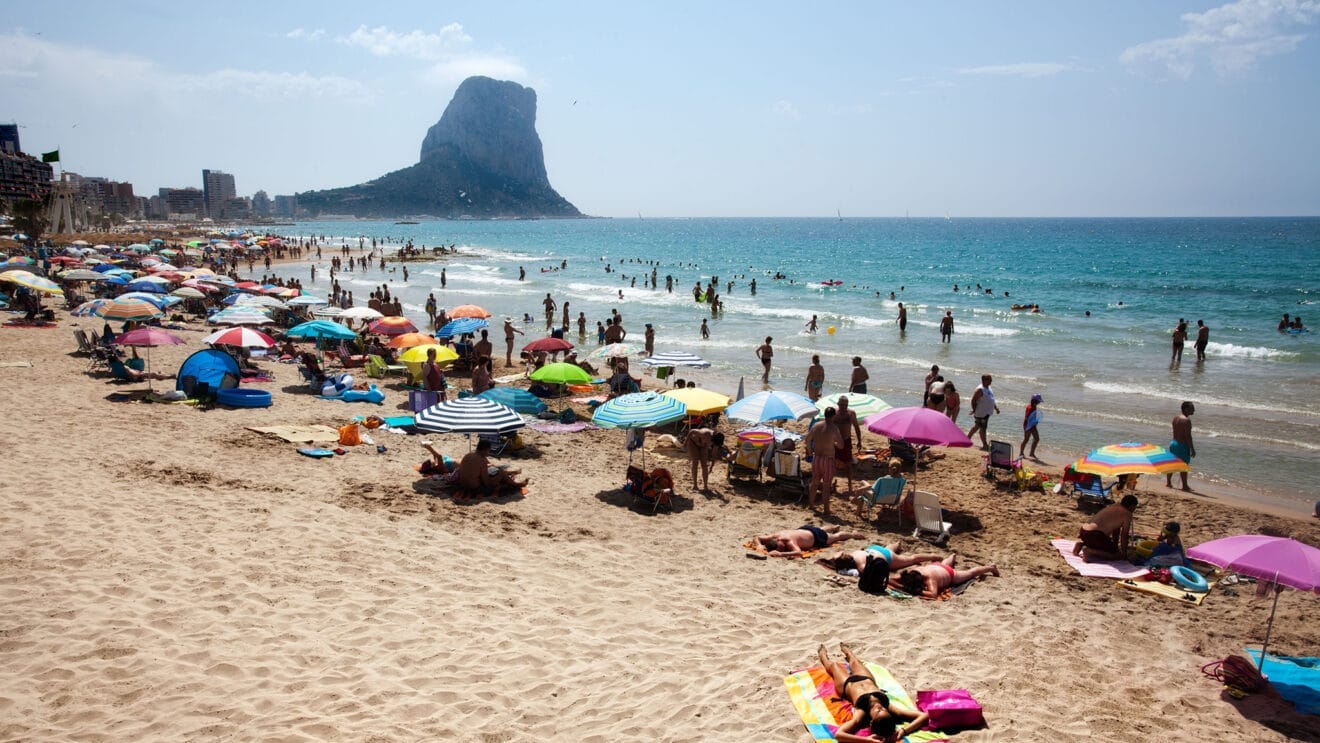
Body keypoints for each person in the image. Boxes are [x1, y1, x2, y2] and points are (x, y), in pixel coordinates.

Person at [815, 643, 929, 743]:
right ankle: (848, 652)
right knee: (855, 661)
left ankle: (823, 656)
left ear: (871, 721)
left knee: (834, 665)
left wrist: (866, 740)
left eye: (878, 711)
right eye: (884, 710)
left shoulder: (861, 712)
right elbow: (924, 716)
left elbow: (839, 735)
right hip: (866, 678)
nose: (881, 707)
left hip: (847, 685)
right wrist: (904, 731)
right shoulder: (888, 706)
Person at [892, 554, 1000, 598]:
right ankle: (952, 556)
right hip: (936, 567)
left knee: (971, 573)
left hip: (950, 574)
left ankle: (991, 567)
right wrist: (902, 586)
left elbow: (933, 594)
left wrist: (910, 589)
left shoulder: (930, 579)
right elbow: (890, 580)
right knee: (944, 564)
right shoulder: (913, 572)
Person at [1073, 494, 1138, 562]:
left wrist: (1114, 546)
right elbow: (1124, 535)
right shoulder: (1127, 514)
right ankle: (1089, 551)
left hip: (1084, 531)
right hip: (1094, 535)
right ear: (1132, 506)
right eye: (1134, 507)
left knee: (1106, 546)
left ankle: (1082, 544)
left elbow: (1116, 530)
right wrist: (1124, 554)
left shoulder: (1115, 505)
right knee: (1117, 555)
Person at [456, 439, 527, 499]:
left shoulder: (468, 455)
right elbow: (486, 482)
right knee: (501, 472)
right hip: (475, 489)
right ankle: (516, 484)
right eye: (488, 451)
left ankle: (511, 476)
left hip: (463, 485)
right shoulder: (482, 460)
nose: (488, 453)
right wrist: (498, 478)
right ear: (484, 450)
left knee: (495, 471)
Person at [805, 407, 842, 515]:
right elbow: (841, 445)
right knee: (826, 485)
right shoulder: (834, 428)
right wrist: (833, 443)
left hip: (817, 457)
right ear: (834, 416)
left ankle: (811, 505)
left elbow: (807, 440)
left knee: (815, 481)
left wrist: (810, 451)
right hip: (828, 459)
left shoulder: (816, 425)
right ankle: (826, 509)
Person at [754, 524, 865, 557]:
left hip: (816, 537)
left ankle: (853, 534)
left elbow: (798, 552)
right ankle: (833, 526)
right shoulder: (774, 536)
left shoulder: (787, 540)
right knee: (821, 530)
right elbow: (757, 538)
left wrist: (781, 554)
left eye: (782, 547)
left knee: (835, 537)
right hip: (804, 530)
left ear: (779, 542)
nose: (784, 548)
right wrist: (759, 545)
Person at [834, 396, 862, 495]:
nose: (843, 407)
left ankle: (850, 485)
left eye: (845, 405)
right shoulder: (835, 413)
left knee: (848, 463)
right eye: (841, 405)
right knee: (834, 463)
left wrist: (859, 441)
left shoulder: (851, 414)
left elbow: (857, 428)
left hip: (846, 441)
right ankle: (832, 483)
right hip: (836, 442)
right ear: (838, 404)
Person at [1166, 401, 1196, 491]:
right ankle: (1185, 486)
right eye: (1192, 408)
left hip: (1173, 443)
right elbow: (1188, 436)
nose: (1194, 410)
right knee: (1184, 466)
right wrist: (1192, 449)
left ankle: (1168, 482)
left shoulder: (1176, 418)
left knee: (1172, 464)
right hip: (1182, 445)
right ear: (1186, 409)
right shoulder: (1187, 421)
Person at [966, 374, 1000, 450]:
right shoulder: (980, 389)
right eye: (989, 380)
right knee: (983, 429)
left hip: (986, 412)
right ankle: (985, 445)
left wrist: (996, 408)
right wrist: (974, 410)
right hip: (981, 413)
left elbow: (991, 399)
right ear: (984, 380)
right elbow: (973, 400)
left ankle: (967, 438)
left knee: (977, 426)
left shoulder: (988, 388)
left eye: (991, 379)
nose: (991, 381)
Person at [1021, 393, 1042, 459]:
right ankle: (1021, 453)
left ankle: (1031, 453)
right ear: (1035, 401)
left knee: (1037, 438)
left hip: (1032, 426)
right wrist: (1034, 422)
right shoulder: (1030, 408)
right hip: (1028, 426)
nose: (1039, 402)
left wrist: (1036, 421)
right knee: (1026, 439)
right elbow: (1027, 417)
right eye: (1039, 401)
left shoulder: (1033, 406)